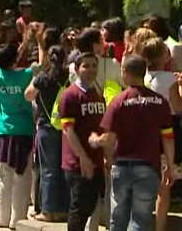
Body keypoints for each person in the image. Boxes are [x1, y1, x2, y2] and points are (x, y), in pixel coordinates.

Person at [89, 55, 176, 231]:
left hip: (122, 167)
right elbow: (167, 138)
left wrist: (95, 141)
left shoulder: (118, 102)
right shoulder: (160, 102)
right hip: (148, 167)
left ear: (125, 72)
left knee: (118, 219)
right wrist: (170, 166)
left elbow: (110, 139)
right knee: (141, 219)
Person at [0, 43, 36, 228]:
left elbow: (12, 59)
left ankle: (1, 218)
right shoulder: (25, 76)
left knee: (4, 177)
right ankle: (17, 219)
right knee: (22, 177)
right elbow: (39, 67)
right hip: (22, 130)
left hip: (3, 131)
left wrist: (24, 41)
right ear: (14, 60)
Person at [59, 52, 106, 231]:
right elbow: (68, 130)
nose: (91, 70)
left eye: (94, 66)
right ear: (77, 69)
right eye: (86, 66)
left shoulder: (97, 93)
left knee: (90, 205)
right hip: (77, 163)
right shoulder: (70, 95)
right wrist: (83, 157)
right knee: (79, 209)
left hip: (97, 160)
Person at [140, 37, 182, 231]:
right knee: (165, 184)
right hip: (167, 131)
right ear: (161, 55)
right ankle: (160, 226)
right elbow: (178, 107)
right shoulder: (169, 79)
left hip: (144, 131)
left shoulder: (142, 77)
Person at [24, 46, 70, 222]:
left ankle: (48, 210)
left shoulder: (44, 76)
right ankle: (64, 209)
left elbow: (28, 95)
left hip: (46, 125)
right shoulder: (68, 75)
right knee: (64, 167)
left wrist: (37, 76)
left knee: (48, 169)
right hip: (66, 126)